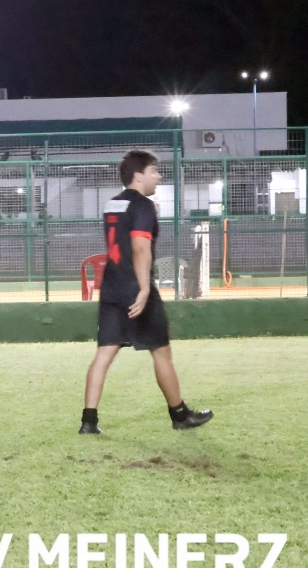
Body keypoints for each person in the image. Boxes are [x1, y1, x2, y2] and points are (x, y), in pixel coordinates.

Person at [80, 150, 213, 435]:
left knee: (104, 352)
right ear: (138, 175)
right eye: (154, 171)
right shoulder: (144, 205)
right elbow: (140, 248)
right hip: (136, 288)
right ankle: (180, 415)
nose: (158, 176)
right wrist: (143, 289)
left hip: (111, 288)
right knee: (161, 351)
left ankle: (88, 421)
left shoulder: (111, 204)